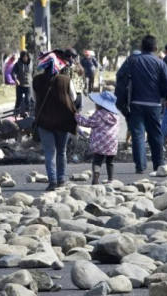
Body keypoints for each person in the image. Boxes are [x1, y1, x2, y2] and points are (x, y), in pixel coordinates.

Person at [115, 35, 167, 173]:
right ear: (155, 48)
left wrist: (121, 101)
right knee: (155, 135)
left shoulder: (132, 60)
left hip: (135, 104)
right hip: (154, 105)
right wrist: (166, 96)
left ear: (141, 47)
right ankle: (159, 165)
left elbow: (120, 76)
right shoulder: (160, 63)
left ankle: (140, 167)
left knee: (138, 135)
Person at [33, 50, 78, 191]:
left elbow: (34, 99)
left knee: (49, 153)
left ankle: (52, 182)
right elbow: (74, 97)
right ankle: (61, 180)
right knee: (62, 151)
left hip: (44, 122)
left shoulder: (36, 80)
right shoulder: (66, 80)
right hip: (63, 122)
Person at [74, 91, 119, 185]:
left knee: (97, 160)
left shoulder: (99, 114)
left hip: (100, 142)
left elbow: (88, 123)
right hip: (112, 142)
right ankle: (111, 179)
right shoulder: (116, 116)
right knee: (110, 161)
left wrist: (77, 117)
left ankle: (96, 176)